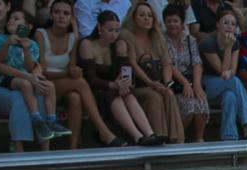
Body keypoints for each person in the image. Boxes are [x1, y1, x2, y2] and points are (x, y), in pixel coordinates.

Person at [37, 0, 122, 147]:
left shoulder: (73, 38)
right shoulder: (40, 34)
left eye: (66, 13)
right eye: (57, 12)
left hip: (64, 85)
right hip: (44, 84)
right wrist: (69, 75)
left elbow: (72, 69)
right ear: (50, 15)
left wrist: (73, 73)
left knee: (75, 98)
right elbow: (43, 72)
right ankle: (103, 131)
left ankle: (73, 148)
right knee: (80, 82)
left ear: (71, 18)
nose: (61, 16)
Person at [79, 9, 165, 143]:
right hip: (95, 90)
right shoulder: (87, 44)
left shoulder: (117, 45)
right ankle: (137, 136)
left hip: (115, 88)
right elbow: (90, 78)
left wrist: (122, 55)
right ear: (99, 27)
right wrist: (113, 85)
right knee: (115, 95)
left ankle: (150, 134)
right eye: (110, 30)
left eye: (117, 31)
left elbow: (125, 72)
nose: (114, 35)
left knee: (128, 96)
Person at [0, 8, 71, 143]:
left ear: (28, 27)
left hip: (26, 76)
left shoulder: (32, 44)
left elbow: (30, 67)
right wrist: (7, 43)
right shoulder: (0, 38)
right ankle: (37, 119)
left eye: (16, 19)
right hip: (7, 78)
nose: (11, 20)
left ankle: (51, 121)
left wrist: (27, 49)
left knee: (49, 86)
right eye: (10, 18)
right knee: (26, 84)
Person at [121, 1, 185, 141]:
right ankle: (157, 136)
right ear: (133, 18)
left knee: (168, 93)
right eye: (142, 15)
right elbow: (133, 64)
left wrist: (167, 82)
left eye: (150, 15)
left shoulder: (157, 36)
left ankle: (176, 139)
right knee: (153, 96)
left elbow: (167, 63)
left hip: (157, 82)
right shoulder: (127, 36)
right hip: (138, 85)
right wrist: (151, 83)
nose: (146, 18)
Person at [198, 7, 247, 139]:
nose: (229, 26)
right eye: (225, 22)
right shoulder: (208, 42)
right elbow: (221, 71)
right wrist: (227, 48)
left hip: (225, 83)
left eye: (233, 24)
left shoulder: (235, 42)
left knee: (230, 97)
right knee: (234, 82)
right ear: (217, 24)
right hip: (206, 85)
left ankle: (229, 136)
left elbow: (232, 70)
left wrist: (228, 74)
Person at [162, 3, 209, 141]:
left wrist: (197, 84)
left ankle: (199, 139)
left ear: (182, 23)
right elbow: (169, 64)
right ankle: (178, 137)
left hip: (190, 79)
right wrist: (185, 84)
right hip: (174, 82)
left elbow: (197, 63)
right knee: (189, 104)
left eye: (175, 21)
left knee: (200, 101)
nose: (172, 24)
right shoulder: (162, 40)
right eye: (169, 21)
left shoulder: (190, 40)